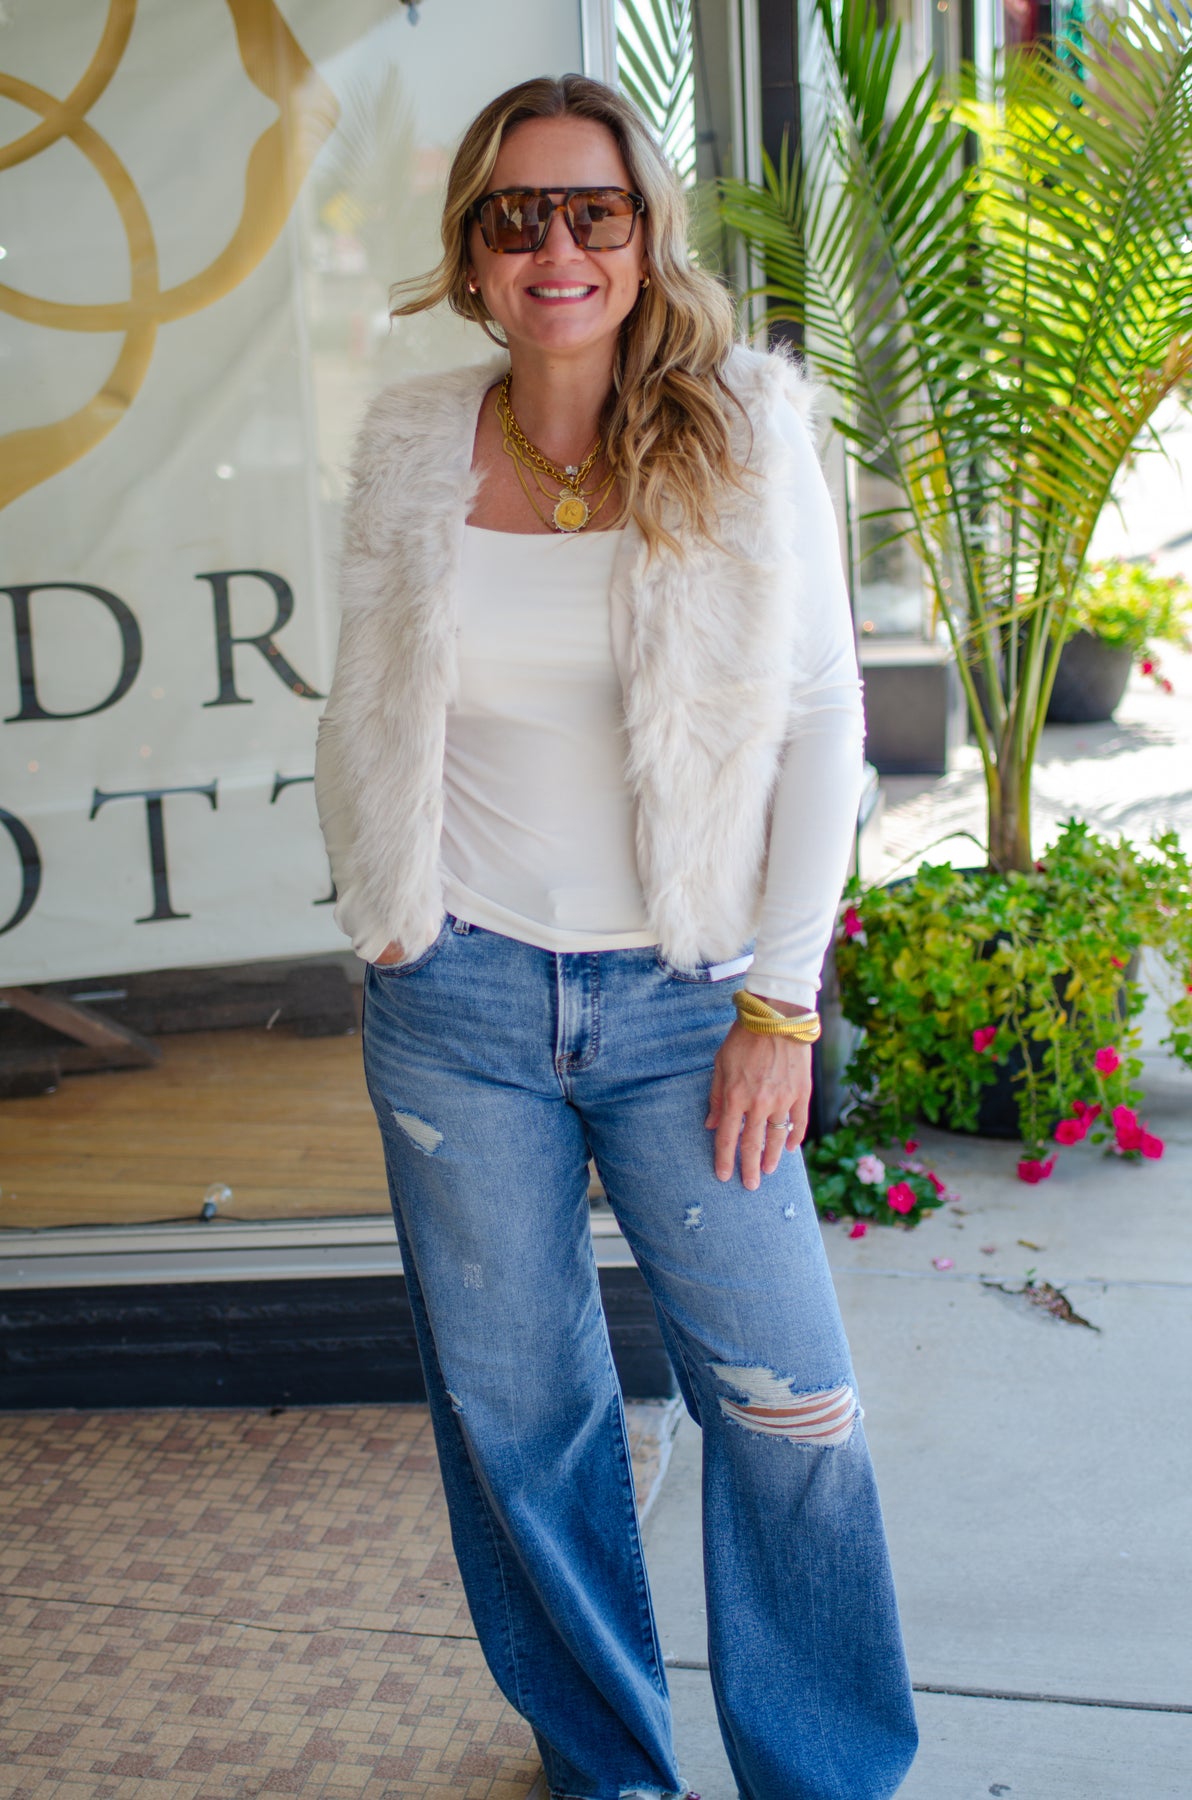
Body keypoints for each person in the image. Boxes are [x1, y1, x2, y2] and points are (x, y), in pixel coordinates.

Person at [314, 72, 917, 1800]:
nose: (557, 248)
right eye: (518, 217)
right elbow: (376, 703)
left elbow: (824, 723)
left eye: (593, 211)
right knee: (520, 1420)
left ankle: (824, 1775)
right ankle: (609, 1769)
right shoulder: (416, 442)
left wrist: (781, 1008)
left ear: (647, 238)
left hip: (690, 1004)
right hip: (459, 1004)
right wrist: (384, 912)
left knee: (787, 1402)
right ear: (472, 256)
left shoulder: (749, 433)